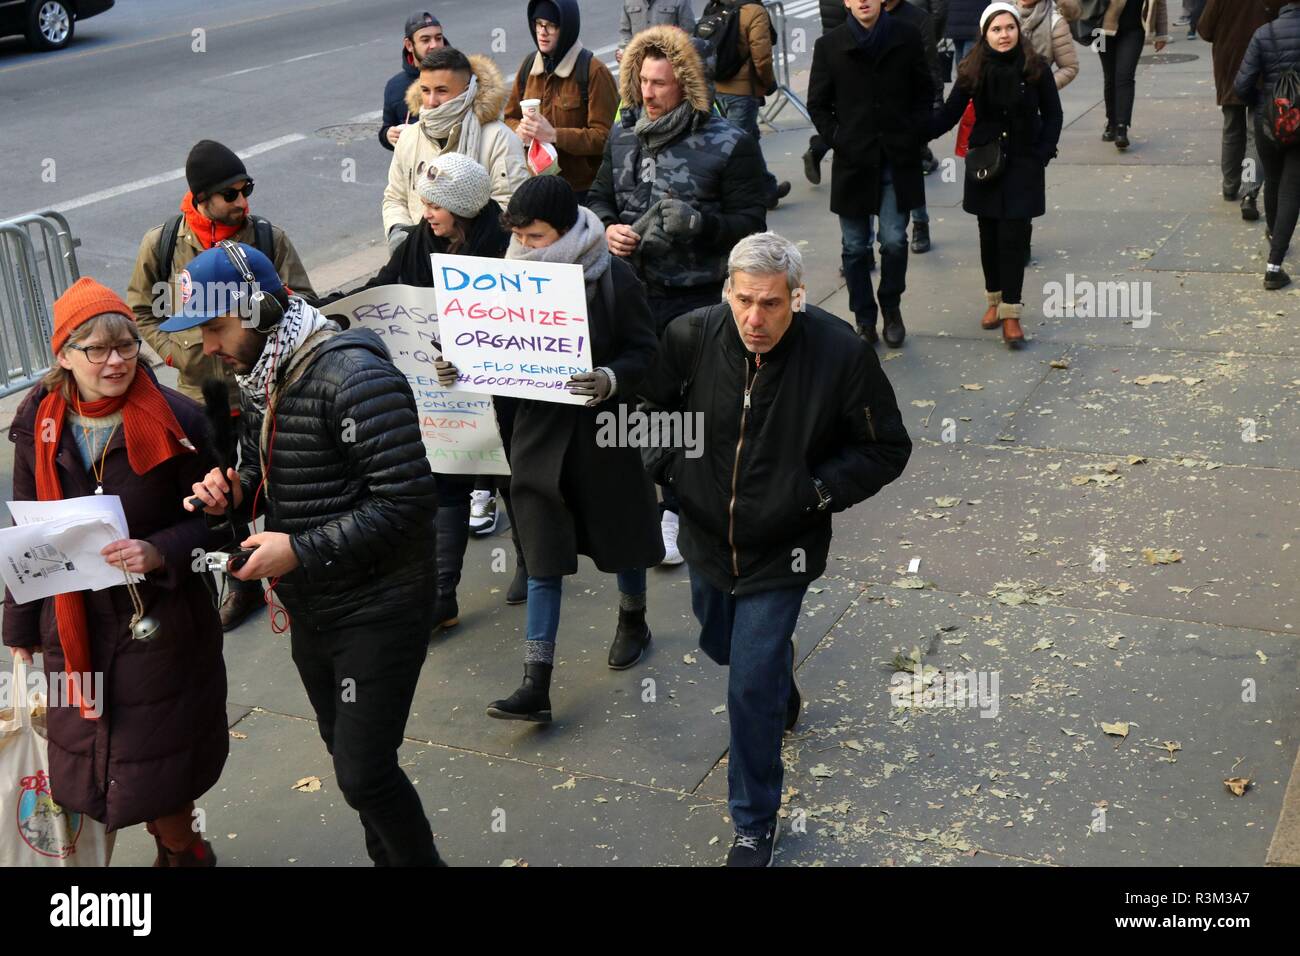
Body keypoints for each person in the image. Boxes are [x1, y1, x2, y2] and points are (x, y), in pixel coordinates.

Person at [638, 232, 912, 866]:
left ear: (798, 297)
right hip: (708, 537)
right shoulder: (692, 335)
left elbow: (886, 448)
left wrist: (812, 493)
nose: (754, 320)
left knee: (749, 687)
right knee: (721, 646)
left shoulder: (839, 353)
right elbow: (649, 407)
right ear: (726, 294)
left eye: (770, 304)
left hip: (782, 549)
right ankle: (780, 683)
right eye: (743, 302)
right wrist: (673, 470)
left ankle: (753, 823)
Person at [178, 244, 445, 866]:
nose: (208, 347)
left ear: (259, 310)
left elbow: (408, 502)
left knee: (363, 773)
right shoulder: (267, 371)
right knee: (348, 758)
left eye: (216, 328)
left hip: (380, 604)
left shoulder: (353, 378)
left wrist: (298, 549)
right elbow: (266, 465)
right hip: (315, 605)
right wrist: (233, 491)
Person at [3, 278, 227, 867]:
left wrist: (158, 551)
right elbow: (28, 536)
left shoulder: (178, 420)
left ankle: (183, 853)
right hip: (70, 627)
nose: (115, 361)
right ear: (63, 356)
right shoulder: (38, 421)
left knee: (156, 769)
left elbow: (217, 522)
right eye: (96, 349)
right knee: (91, 763)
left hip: (158, 627)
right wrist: (20, 630)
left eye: (126, 346)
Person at [435, 177, 664, 722]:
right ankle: (535, 684)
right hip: (537, 433)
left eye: (537, 237)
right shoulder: (502, 277)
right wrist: (457, 368)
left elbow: (645, 352)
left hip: (604, 431)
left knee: (620, 533)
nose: (528, 247)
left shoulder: (614, 277)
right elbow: (490, 348)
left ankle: (633, 617)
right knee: (541, 553)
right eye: (522, 237)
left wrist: (610, 377)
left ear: (564, 230)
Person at [588, 24, 767, 567]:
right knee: (642, 402)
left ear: (686, 85)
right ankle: (655, 493)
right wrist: (605, 227)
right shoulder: (622, 134)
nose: (648, 93)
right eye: (642, 81)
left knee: (691, 406)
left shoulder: (729, 143)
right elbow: (596, 198)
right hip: (632, 294)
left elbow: (752, 223)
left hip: (697, 298)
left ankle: (677, 508)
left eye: (660, 83)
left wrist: (701, 224)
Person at [323, 153, 521, 627]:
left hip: (499, 391)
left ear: (465, 207)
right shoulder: (419, 242)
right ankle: (441, 596)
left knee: (513, 478)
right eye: (424, 203)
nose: (425, 213)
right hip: (442, 391)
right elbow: (383, 288)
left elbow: (513, 322)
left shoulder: (505, 247)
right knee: (446, 479)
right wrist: (335, 309)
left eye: (435, 205)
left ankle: (532, 563)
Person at [127, 138, 315, 633]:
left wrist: (268, 313)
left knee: (278, 483)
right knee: (218, 494)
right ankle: (241, 581)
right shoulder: (162, 243)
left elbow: (305, 299)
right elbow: (142, 309)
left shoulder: (269, 239)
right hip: (200, 398)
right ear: (201, 198)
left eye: (246, 189)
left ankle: (288, 573)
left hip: (265, 392)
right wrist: (176, 352)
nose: (242, 202)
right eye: (231, 193)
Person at [927, 2, 1063, 346]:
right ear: (985, 34)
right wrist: (912, 133)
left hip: (1023, 163)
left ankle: (1012, 313)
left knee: (1013, 238)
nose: (1004, 35)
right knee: (988, 235)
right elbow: (948, 114)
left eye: (1010, 28)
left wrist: (1042, 153)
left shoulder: (1035, 67)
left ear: (1019, 31)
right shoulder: (973, 69)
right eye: (996, 29)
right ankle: (993, 299)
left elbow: (1053, 114)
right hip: (985, 164)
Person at [808, 0, 933, 348]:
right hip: (853, 161)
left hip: (896, 158)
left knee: (893, 240)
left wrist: (913, 132)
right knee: (854, 246)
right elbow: (817, 103)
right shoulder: (829, 45)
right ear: (846, 2)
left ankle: (891, 307)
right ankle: (864, 318)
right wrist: (838, 138)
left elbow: (925, 90)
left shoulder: (905, 36)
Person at [383, 46, 529, 251]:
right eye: (425, 91)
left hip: (477, 261)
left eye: (442, 91)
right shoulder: (409, 136)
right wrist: (400, 235)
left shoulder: (500, 138)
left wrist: (459, 240)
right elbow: (395, 197)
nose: (432, 101)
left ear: (468, 90)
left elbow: (510, 206)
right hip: (416, 257)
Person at [504, 0, 619, 202]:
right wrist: (519, 131)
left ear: (567, 28)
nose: (543, 32)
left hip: (583, 191)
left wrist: (554, 135)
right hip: (537, 183)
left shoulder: (594, 72)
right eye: (539, 24)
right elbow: (510, 117)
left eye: (552, 25)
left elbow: (605, 138)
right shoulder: (529, 66)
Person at [1234, 0, 1300, 289]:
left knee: (1273, 182)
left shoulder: (1264, 33)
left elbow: (1242, 84)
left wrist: (1261, 106)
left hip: (1269, 121)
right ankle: (1274, 266)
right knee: (1291, 192)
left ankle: (1275, 233)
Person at [705, 0, 794, 209]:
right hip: (742, 92)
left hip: (717, 88)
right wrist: (768, 83)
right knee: (736, 148)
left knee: (748, 139)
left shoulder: (714, 5)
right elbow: (761, 57)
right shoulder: (754, 11)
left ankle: (768, 190)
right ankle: (731, 198)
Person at [1199, 0, 1279, 221]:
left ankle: (1230, 184)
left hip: (1230, 65)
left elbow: (1205, 30)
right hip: (1262, 67)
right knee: (1256, 133)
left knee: (1232, 128)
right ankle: (1249, 192)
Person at [883, 0, 944, 254]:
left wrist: (935, 104)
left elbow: (930, 65)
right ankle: (862, 244)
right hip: (871, 111)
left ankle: (920, 222)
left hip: (908, 111)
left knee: (911, 168)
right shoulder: (865, 15)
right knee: (869, 176)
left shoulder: (917, 18)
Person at [1097, 1, 1169, 150]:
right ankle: (1111, 122)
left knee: (1125, 76)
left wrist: (1161, 33)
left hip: (1134, 30)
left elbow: (1159, 3)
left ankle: (1122, 128)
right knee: (1109, 76)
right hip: (1101, 31)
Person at [380, 12, 448, 151]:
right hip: (414, 169)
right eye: (425, 40)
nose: (434, 45)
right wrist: (387, 135)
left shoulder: (462, 77)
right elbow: (387, 127)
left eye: (438, 38)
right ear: (409, 45)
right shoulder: (395, 86)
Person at [802, 1, 850, 185]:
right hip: (847, 51)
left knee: (840, 112)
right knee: (848, 114)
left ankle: (819, 147)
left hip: (833, 49)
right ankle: (819, 147)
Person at [618, 0, 697, 61]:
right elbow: (625, 31)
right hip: (638, 62)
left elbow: (688, 31)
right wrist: (625, 51)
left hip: (668, 62)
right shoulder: (629, 1)